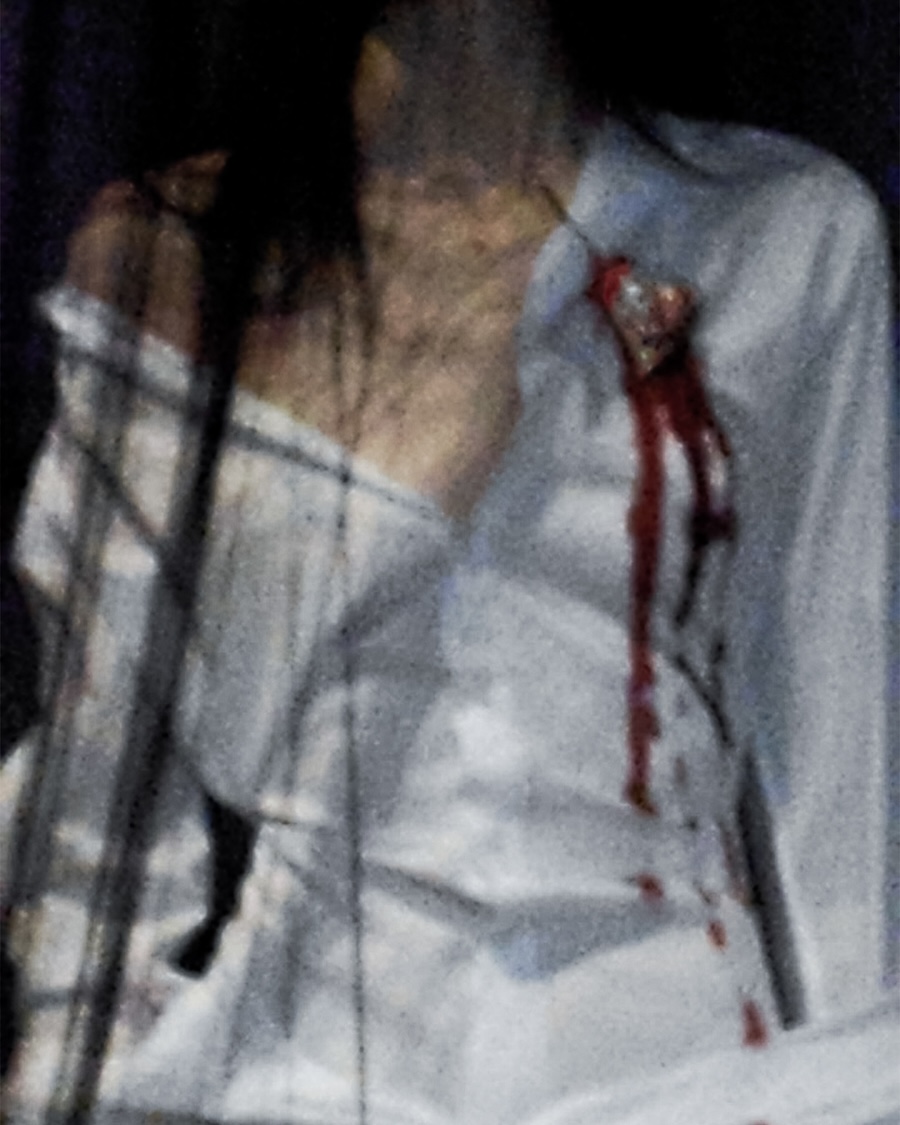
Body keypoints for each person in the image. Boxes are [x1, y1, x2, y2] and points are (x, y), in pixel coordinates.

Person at [4, 0, 896, 1121]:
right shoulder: (174, 255)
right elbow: (95, 811)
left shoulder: (775, 231)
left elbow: (836, 797)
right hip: (310, 1078)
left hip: (683, 1073)